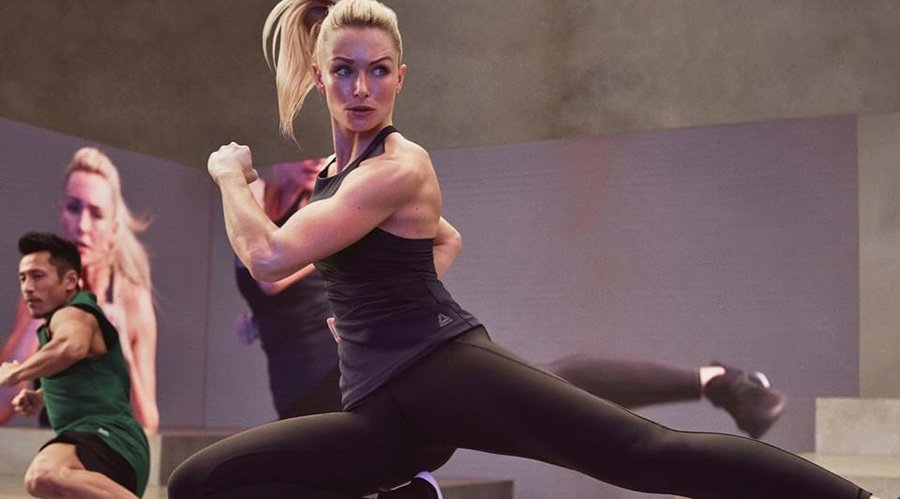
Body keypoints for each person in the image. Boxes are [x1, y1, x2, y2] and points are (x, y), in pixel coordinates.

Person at [170, 1, 876, 497]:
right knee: (201, 480)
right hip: (381, 411)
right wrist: (357, 312)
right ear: (321, 75)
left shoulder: (397, 166)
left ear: (401, 78)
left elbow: (268, 258)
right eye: (345, 70)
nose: (361, 88)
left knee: (647, 454)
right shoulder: (332, 175)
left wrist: (229, 175)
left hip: (439, 370)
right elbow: (443, 236)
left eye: (379, 70)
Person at [240, 159, 786, 437]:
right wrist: (263, 317)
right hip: (304, 388)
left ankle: (719, 382)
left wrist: (227, 180)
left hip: (346, 370)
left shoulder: (319, 191)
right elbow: (270, 283)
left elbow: (271, 270)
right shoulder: (271, 208)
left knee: (543, 390)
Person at [0, 147, 159, 436]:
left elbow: (148, 424)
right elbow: (1, 408)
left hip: (109, 446)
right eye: (74, 208)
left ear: (113, 229)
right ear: (62, 213)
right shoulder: (42, 288)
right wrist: (36, 321)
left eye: (96, 214)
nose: (82, 226)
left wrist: (123, 351)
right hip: (56, 445)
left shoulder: (131, 299)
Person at [0, 232, 149, 498]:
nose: (28, 287)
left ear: (70, 280)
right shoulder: (57, 322)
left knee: (44, 474)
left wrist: (16, 372)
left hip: (107, 437)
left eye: (37, 276)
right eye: (23, 278)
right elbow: (87, 371)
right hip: (106, 449)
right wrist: (41, 396)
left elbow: (72, 346)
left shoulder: (74, 313)